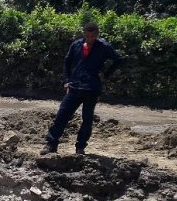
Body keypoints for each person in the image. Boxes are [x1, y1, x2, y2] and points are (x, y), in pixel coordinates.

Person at [41, 22, 123, 155]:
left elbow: (118, 59)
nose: (90, 39)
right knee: (62, 115)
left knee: (87, 119)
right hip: (75, 86)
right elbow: (67, 62)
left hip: (92, 88)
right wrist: (67, 80)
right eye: (88, 36)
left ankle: (80, 147)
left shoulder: (103, 46)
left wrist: (106, 74)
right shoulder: (76, 45)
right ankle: (51, 144)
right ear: (84, 34)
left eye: (93, 36)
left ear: (97, 34)